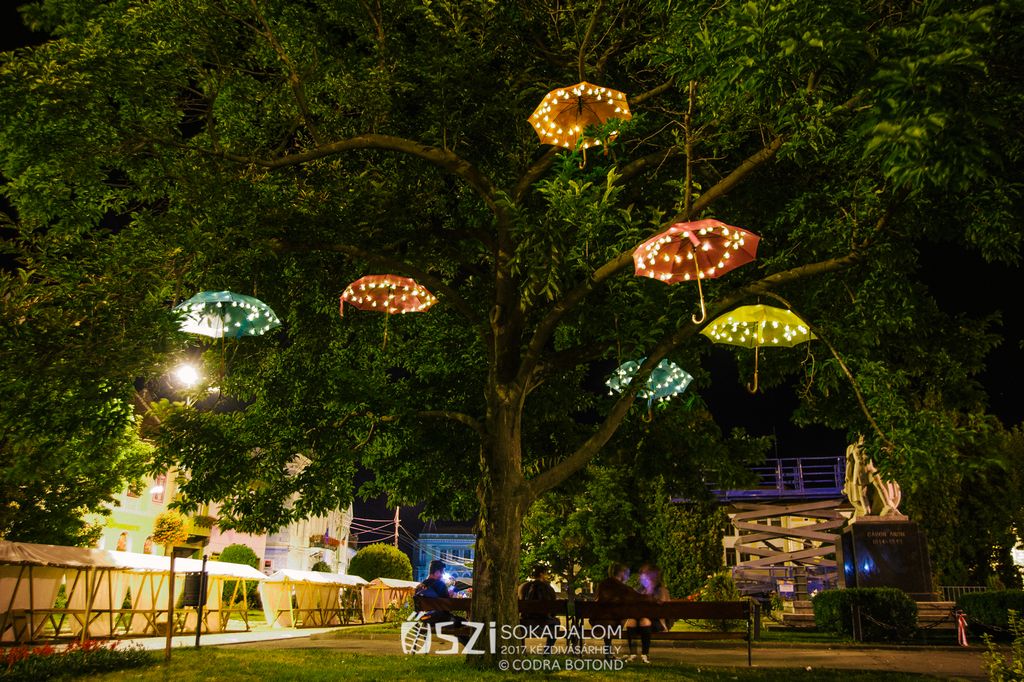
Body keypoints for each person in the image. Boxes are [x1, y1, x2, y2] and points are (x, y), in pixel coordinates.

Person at [624, 564, 671, 663]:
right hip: (641, 619)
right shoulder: (640, 589)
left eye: (645, 574)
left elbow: (663, 609)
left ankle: (645, 654)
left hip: (657, 621)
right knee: (631, 621)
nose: (642, 577)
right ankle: (632, 654)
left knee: (644, 621)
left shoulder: (661, 590)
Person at [594, 563, 640, 660]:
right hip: (613, 624)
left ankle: (608, 653)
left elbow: (597, 600)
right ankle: (631, 653)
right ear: (621, 573)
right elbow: (638, 597)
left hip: (597, 622)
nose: (627, 576)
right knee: (625, 618)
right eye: (626, 573)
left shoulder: (602, 585)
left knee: (608, 620)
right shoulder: (623, 588)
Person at [519, 564, 560, 653]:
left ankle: (523, 650)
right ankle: (547, 650)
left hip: (526, 621)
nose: (547, 576)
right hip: (545, 620)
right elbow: (553, 607)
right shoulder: (548, 588)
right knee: (557, 622)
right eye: (546, 573)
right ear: (541, 574)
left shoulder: (523, 587)